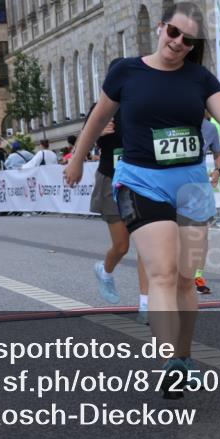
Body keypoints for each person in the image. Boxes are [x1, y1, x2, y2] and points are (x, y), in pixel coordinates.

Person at [64, 1, 220, 397]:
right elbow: (98, 119)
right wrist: (78, 159)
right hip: (141, 182)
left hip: (191, 184)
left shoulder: (199, 78)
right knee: (164, 272)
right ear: (161, 29)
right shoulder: (126, 71)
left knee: (186, 279)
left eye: (187, 41)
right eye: (173, 33)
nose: (178, 43)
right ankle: (169, 360)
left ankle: (184, 357)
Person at [87, 63, 150, 322]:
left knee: (146, 245)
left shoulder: (142, 104)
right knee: (122, 245)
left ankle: (146, 304)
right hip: (111, 180)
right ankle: (105, 270)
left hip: (139, 179)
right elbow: (83, 143)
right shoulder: (101, 107)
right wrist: (98, 133)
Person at [193, 112, 220, 295]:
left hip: (198, 183)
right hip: (172, 183)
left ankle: (198, 276)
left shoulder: (210, 128)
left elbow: (218, 154)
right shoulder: (172, 119)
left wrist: (218, 170)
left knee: (202, 232)